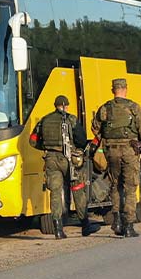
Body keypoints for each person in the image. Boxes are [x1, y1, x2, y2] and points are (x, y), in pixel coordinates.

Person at [91, 78, 141, 238]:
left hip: (111, 151)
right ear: (125, 89)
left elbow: (96, 128)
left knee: (115, 185)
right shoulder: (134, 107)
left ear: (113, 90)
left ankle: (117, 220)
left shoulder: (105, 108)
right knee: (130, 188)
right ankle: (129, 225)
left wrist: (107, 139)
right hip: (129, 151)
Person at [30, 95, 99, 239]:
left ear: (55, 105)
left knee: (55, 192)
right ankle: (85, 225)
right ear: (66, 106)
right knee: (77, 190)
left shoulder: (44, 120)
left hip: (51, 159)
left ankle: (58, 229)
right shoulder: (71, 120)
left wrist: (46, 148)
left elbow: (33, 141)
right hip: (69, 160)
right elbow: (81, 139)